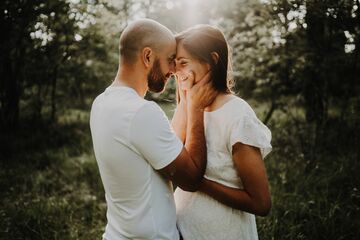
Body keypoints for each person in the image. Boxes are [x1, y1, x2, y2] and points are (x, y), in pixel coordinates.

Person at [89, 19, 217, 240]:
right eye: (170, 60)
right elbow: (191, 179)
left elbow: (165, 148)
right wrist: (195, 108)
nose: (173, 70)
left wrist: (186, 97)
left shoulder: (101, 103)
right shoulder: (141, 112)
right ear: (147, 56)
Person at [172, 24, 273, 240]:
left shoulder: (237, 115)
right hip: (181, 232)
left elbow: (261, 203)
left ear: (213, 60)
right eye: (174, 64)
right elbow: (170, 160)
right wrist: (187, 100)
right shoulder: (188, 108)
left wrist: (199, 183)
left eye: (183, 63)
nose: (175, 71)